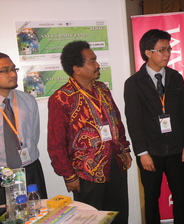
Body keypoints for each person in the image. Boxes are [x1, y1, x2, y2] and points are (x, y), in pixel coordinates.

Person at [47, 41, 132, 224]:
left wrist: (125, 150)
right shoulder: (61, 98)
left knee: (119, 216)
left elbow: (116, 121)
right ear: (77, 68)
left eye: (96, 60)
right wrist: (68, 175)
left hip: (115, 164)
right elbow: (56, 142)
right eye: (92, 61)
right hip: (86, 173)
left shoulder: (102, 88)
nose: (97, 65)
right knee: (91, 219)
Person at [124, 29, 184, 224]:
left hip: (176, 150)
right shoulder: (133, 83)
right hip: (150, 153)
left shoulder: (175, 77)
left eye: (169, 49)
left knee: (181, 196)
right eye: (162, 50)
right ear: (148, 52)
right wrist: (142, 152)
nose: (167, 54)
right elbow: (134, 121)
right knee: (152, 198)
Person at [0, 52, 47, 205]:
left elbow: (34, 135)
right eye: (5, 70)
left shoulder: (27, 100)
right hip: (2, 173)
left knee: (37, 215)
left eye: (14, 69)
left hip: (30, 169)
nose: (12, 74)